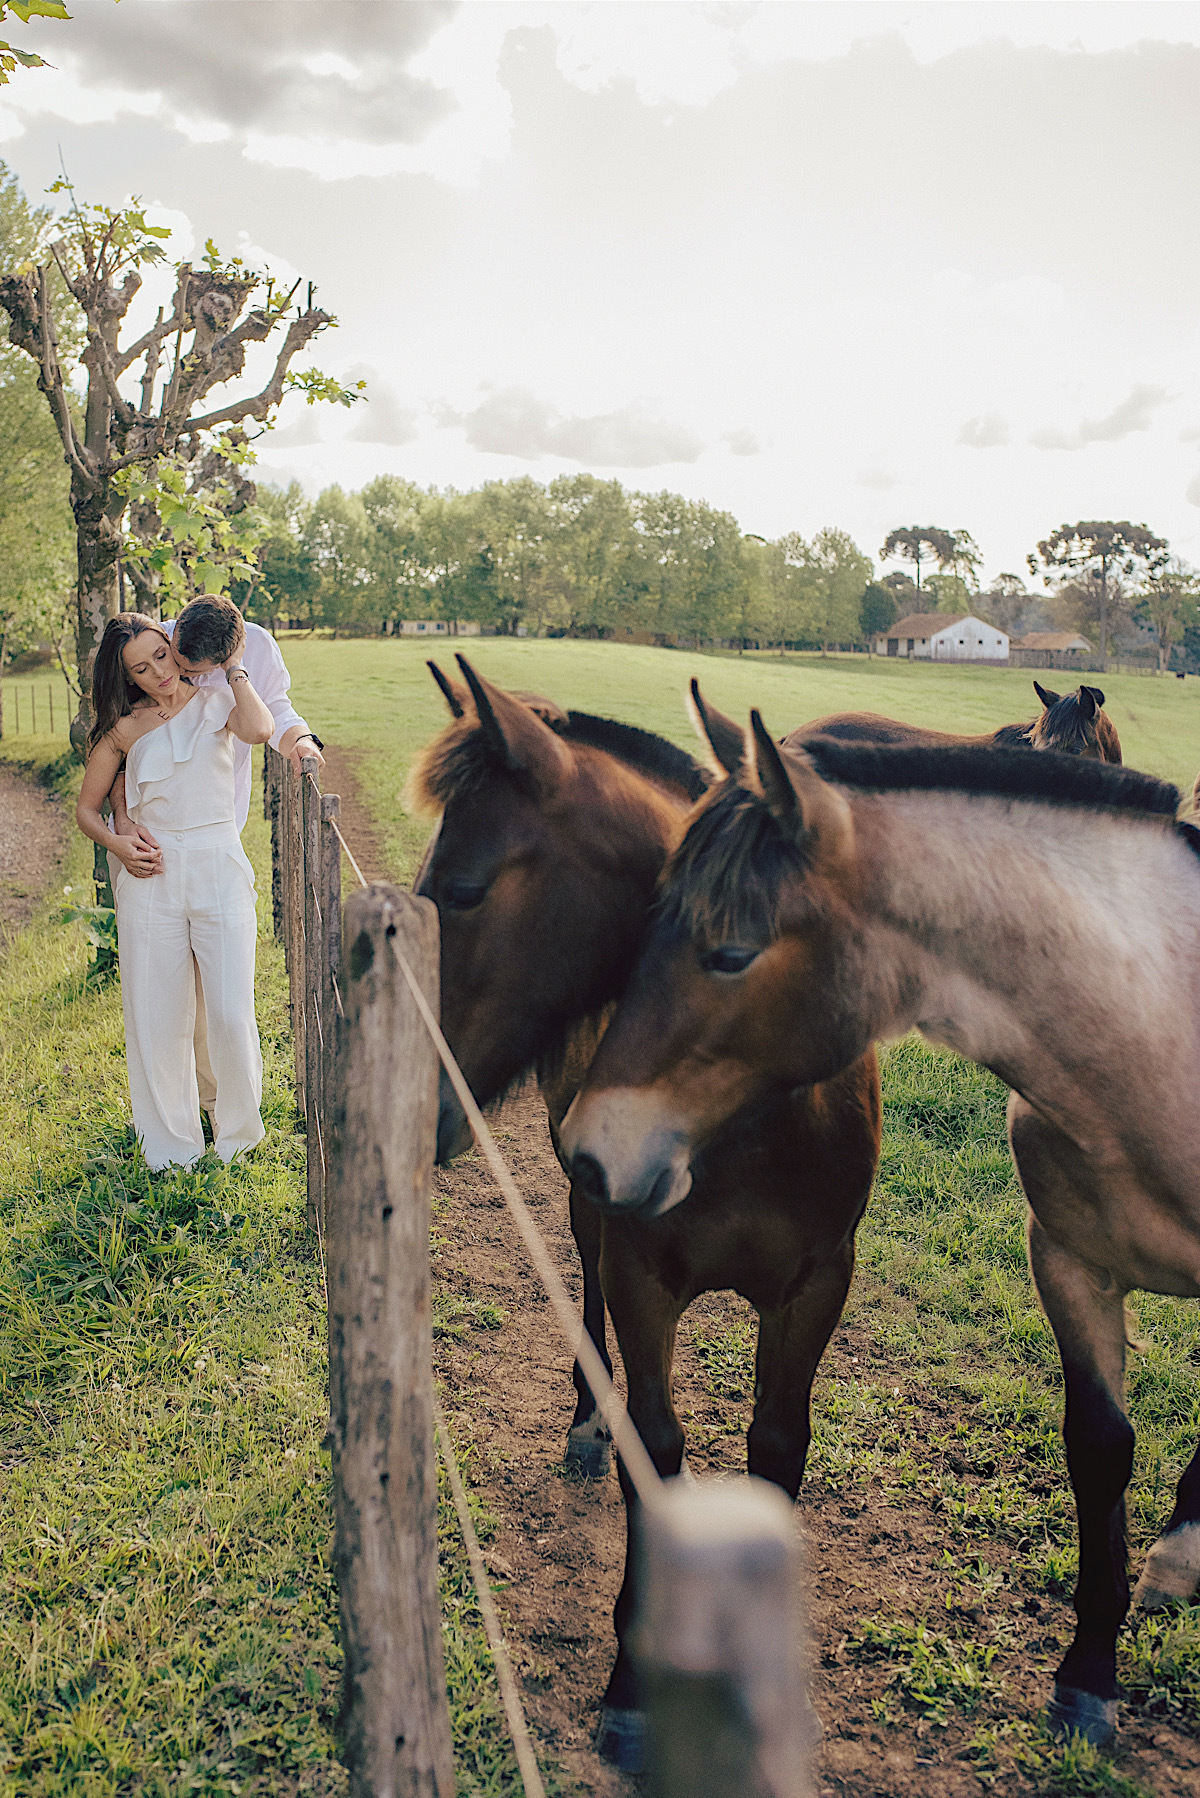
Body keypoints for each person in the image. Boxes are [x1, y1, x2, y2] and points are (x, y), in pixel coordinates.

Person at [108, 597, 323, 1114]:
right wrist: (121, 822)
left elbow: (276, 713)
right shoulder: (146, 646)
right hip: (151, 842)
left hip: (215, 834)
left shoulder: (257, 650)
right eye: (171, 657)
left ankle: (221, 1102)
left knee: (220, 989)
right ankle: (186, 1102)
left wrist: (303, 744)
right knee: (167, 984)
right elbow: (114, 742)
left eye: (189, 670)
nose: (172, 673)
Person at [77, 611, 275, 1169]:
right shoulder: (124, 728)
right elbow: (85, 811)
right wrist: (119, 844)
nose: (157, 673)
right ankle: (173, 1148)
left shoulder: (217, 702)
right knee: (158, 1016)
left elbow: (261, 730)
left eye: (160, 656)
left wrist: (234, 667)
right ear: (128, 677)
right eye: (140, 669)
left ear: (173, 645)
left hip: (219, 864)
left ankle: (238, 1137)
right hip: (151, 876)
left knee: (232, 1011)